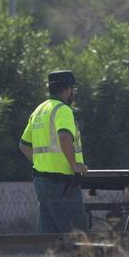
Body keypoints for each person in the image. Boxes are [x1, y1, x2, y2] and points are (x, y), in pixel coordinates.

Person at [19, 70, 88, 233]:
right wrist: (74, 165)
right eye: (73, 90)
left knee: (49, 235)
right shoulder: (63, 110)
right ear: (67, 90)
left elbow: (23, 145)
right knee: (76, 234)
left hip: (42, 181)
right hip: (62, 183)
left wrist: (40, 163)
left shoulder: (39, 111)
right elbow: (64, 137)